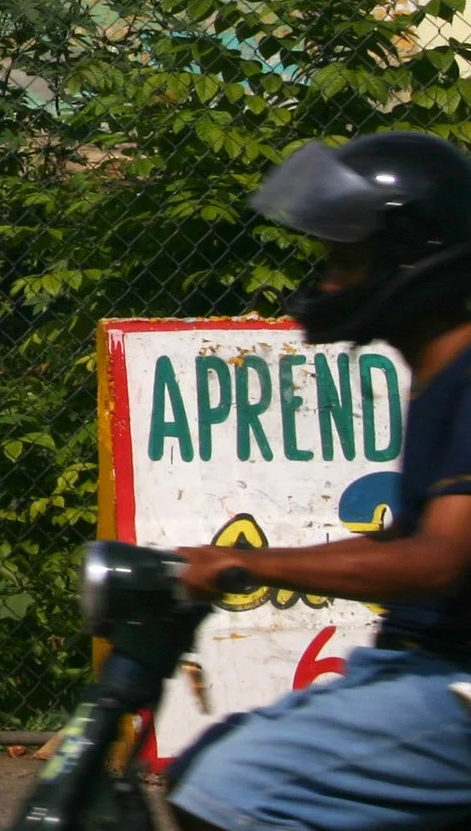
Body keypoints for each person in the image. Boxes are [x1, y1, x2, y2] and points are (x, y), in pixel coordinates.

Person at [169, 132, 471, 831]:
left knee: (232, 785)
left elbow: (442, 556)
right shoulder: (438, 380)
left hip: (450, 684)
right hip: (414, 670)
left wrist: (247, 560)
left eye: (345, 261)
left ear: (413, 262)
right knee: (205, 760)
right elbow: (419, 535)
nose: (327, 284)